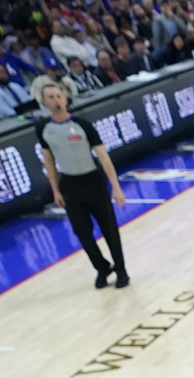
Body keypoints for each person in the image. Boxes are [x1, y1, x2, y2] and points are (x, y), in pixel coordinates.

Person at [35, 82, 128, 289]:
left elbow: (103, 157)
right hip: (70, 184)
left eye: (58, 96)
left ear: (65, 99)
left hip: (93, 181)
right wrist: (55, 189)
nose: (56, 100)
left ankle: (121, 270)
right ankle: (102, 267)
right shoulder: (43, 128)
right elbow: (48, 161)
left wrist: (116, 187)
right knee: (82, 232)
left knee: (109, 229)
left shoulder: (83, 125)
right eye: (50, 97)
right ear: (43, 102)